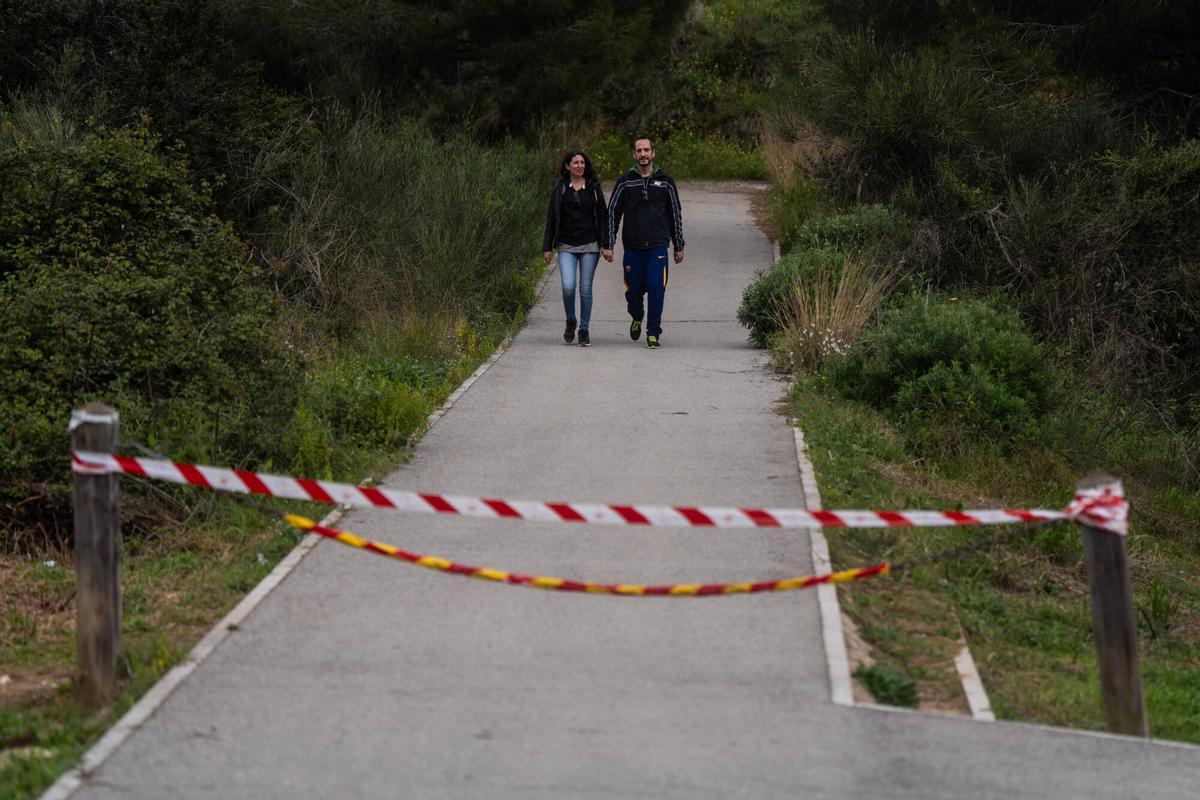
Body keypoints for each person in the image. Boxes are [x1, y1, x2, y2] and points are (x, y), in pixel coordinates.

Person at [602, 135, 684, 350]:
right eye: (639, 150)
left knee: (657, 289)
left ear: (653, 153)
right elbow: (613, 213)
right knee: (634, 293)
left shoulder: (666, 182)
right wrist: (608, 244)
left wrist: (679, 245)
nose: (643, 154)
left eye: (647, 150)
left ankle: (653, 332)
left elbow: (675, 214)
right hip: (633, 248)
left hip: (658, 246)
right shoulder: (625, 181)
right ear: (634, 155)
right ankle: (637, 316)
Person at [542, 149, 609, 347]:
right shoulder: (560, 189)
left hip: (590, 245)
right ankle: (571, 320)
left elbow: (603, 217)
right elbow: (551, 218)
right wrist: (547, 247)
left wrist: (606, 244)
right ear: (567, 166)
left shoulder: (593, 188)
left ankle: (584, 330)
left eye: (582, 162)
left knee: (585, 288)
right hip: (566, 246)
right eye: (575, 162)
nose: (580, 166)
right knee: (568, 286)